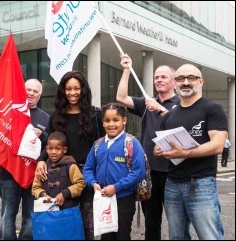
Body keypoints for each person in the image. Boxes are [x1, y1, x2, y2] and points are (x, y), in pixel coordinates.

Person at [155, 64, 227, 240]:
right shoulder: (169, 115)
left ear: (200, 81)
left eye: (191, 78)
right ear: (175, 83)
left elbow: (218, 145)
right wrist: (159, 150)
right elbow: (164, 144)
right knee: (176, 237)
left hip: (200, 184)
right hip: (171, 184)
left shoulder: (212, 108)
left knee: (210, 236)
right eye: (180, 79)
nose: (185, 82)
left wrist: (184, 153)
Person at [35, 70, 105, 239]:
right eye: (68, 89)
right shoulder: (56, 118)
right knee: (64, 226)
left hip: (89, 177)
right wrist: (40, 160)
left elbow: (103, 147)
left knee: (88, 227)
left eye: (76, 88)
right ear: (63, 91)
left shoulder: (95, 116)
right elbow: (49, 145)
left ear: (83, 90)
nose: (72, 93)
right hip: (62, 177)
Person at [116, 53, 179, 240]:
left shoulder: (181, 104)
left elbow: (180, 126)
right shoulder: (146, 102)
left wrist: (160, 109)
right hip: (148, 172)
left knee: (177, 222)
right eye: (156, 77)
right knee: (151, 223)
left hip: (173, 172)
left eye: (163, 77)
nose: (159, 80)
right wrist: (126, 70)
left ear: (174, 82)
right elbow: (121, 97)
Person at [83, 103, 146, 240]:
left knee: (122, 235)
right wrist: (93, 183)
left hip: (124, 199)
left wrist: (116, 187)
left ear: (124, 120)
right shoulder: (98, 144)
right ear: (102, 122)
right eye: (107, 120)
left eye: (115, 120)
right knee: (106, 236)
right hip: (103, 199)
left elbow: (138, 172)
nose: (111, 124)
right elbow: (88, 168)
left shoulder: (132, 143)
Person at [0, 78, 50, 240]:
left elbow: (51, 145)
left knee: (31, 216)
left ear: (40, 95)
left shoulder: (46, 118)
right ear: (22, 90)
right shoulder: (9, 112)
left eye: (35, 91)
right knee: (7, 216)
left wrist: (42, 135)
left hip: (33, 176)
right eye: (28, 90)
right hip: (9, 174)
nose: (31, 94)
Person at [32, 131, 85, 209]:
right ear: (46, 149)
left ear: (65, 150)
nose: (53, 152)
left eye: (57, 149)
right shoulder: (43, 168)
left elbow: (81, 184)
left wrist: (64, 194)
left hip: (68, 211)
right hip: (48, 212)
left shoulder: (71, 166)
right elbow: (35, 188)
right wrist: (42, 194)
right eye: (50, 148)